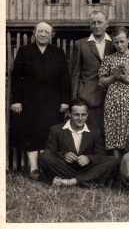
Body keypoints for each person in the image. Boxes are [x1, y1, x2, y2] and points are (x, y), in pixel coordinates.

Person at [11, 21, 71, 180]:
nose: (43, 34)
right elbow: (16, 77)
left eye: (47, 32)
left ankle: (46, 168)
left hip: (52, 102)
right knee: (30, 132)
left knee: (48, 132)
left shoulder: (58, 53)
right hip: (29, 100)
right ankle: (34, 169)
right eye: (40, 31)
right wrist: (16, 101)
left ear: (52, 35)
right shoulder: (24, 51)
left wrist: (65, 101)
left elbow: (65, 78)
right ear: (34, 34)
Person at [39, 99, 119, 187]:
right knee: (44, 155)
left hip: (87, 169)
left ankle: (72, 182)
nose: (80, 118)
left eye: (83, 115)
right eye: (76, 114)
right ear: (69, 114)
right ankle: (88, 180)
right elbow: (50, 153)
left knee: (113, 160)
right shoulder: (56, 130)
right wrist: (63, 155)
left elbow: (100, 156)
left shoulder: (94, 132)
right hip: (64, 168)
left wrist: (88, 158)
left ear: (88, 114)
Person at [98, 27, 129, 161]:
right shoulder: (108, 59)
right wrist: (114, 77)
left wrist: (127, 80)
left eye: (122, 41)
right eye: (116, 43)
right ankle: (117, 169)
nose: (119, 45)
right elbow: (101, 82)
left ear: (128, 40)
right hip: (113, 99)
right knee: (114, 133)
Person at [71, 11, 114, 136]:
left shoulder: (115, 43)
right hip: (88, 95)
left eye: (100, 22)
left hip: (112, 96)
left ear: (107, 24)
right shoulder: (80, 44)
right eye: (93, 23)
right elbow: (75, 74)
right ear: (90, 26)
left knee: (110, 132)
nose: (96, 25)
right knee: (92, 132)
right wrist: (74, 100)